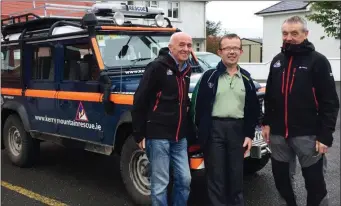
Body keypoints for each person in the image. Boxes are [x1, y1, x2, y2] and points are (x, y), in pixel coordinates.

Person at [262, 16, 339, 206]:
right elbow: (270, 95)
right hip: (279, 136)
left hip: (308, 136)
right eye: (285, 33)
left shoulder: (318, 61)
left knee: (315, 186)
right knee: (282, 183)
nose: (288, 37)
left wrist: (325, 135)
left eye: (294, 33)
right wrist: (266, 122)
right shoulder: (277, 61)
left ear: (305, 34)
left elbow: (329, 101)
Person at [190, 33, 260, 206]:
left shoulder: (246, 78)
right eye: (228, 48)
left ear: (241, 52)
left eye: (236, 48)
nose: (232, 52)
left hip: (238, 130)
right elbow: (198, 107)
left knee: (236, 177)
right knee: (216, 178)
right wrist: (203, 131)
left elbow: (253, 110)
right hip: (214, 130)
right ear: (220, 52)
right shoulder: (209, 77)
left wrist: (249, 134)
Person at [131, 32, 193, 206]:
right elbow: (140, 99)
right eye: (181, 45)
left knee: (185, 180)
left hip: (179, 137)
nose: (186, 49)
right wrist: (139, 134)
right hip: (158, 136)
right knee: (160, 184)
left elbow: (181, 99)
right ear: (171, 47)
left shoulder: (186, 69)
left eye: (189, 45)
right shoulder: (157, 67)